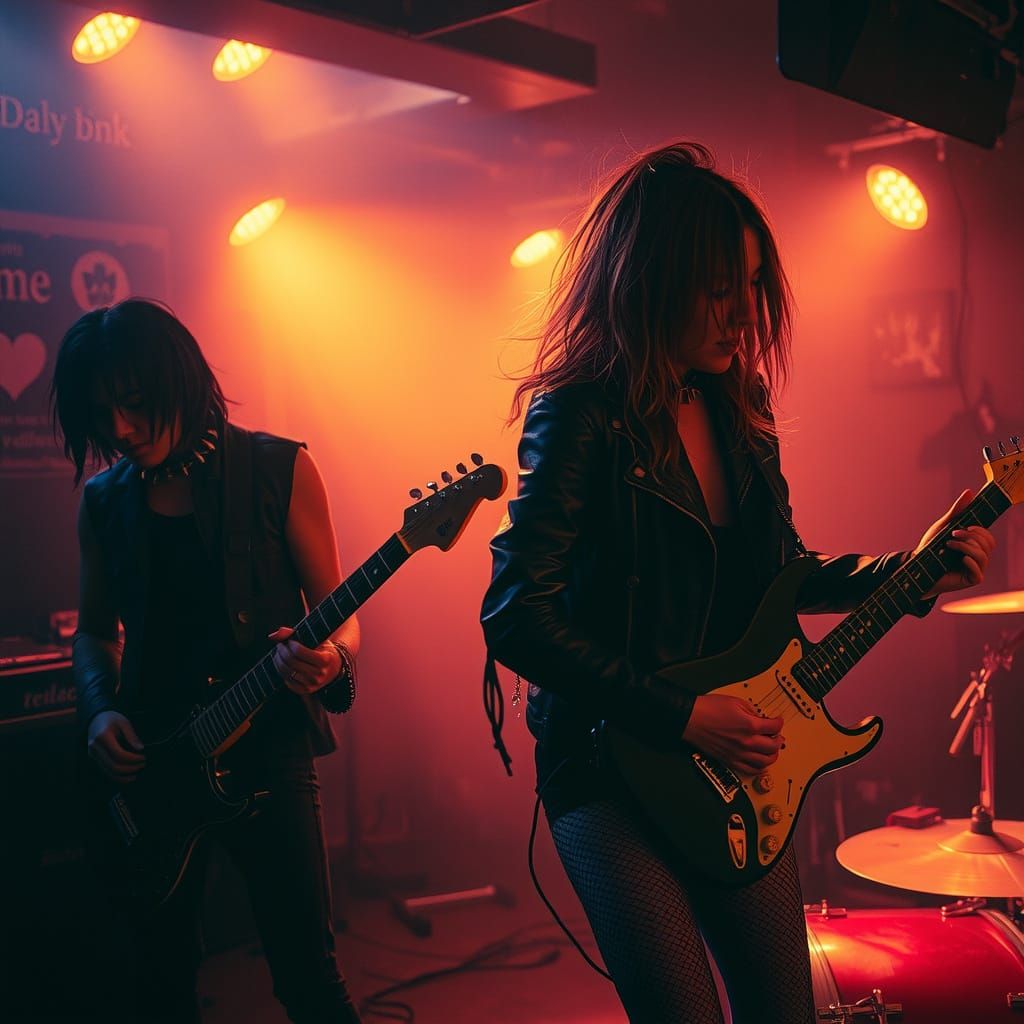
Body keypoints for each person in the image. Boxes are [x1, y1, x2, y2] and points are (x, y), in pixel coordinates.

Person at [480, 142, 996, 1023]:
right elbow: (514, 617)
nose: (743, 313)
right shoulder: (579, 415)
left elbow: (782, 577)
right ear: (653, 280)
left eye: (753, 286)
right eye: (720, 288)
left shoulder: (740, 406)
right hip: (609, 765)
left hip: (730, 767)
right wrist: (682, 714)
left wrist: (915, 568)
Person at [51, 298, 363, 1024]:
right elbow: (95, 632)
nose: (120, 430)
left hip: (269, 757)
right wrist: (99, 709)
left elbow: (341, 617)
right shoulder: (102, 503)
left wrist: (330, 662)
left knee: (310, 982)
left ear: (180, 383)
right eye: (104, 413)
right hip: (154, 764)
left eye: (135, 404)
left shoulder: (279, 468)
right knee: (160, 984)